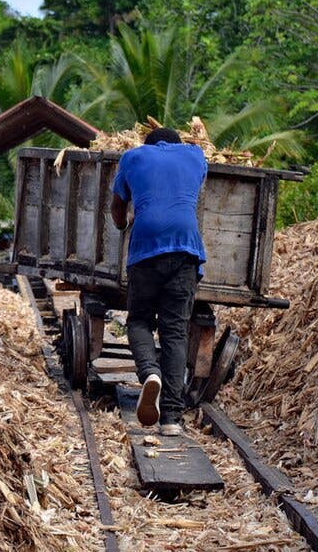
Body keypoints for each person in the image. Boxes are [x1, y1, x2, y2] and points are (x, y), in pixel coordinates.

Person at [110, 127, 207, 436]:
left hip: (146, 249)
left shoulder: (132, 157)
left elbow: (117, 208)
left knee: (138, 320)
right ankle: (171, 419)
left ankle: (150, 373)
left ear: (148, 145)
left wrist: (123, 223)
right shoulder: (195, 155)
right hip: (186, 248)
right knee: (175, 332)